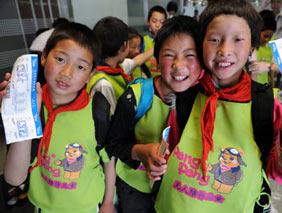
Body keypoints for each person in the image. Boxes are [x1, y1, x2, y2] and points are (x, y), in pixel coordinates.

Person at [147, 1, 282, 212]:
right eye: (214, 39)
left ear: (252, 47)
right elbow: (169, 146)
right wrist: (155, 160)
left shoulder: (264, 105)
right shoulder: (187, 95)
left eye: (238, 39)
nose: (224, 50)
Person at [2, 22, 115, 212]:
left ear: (91, 74)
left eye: (80, 67)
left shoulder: (98, 108)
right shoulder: (32, 103)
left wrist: (108, 202)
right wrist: (25, 114)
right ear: (45, 56)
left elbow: (108, 159)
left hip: (87, 206)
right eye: (61, 59)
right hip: (44, 205)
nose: (67, 73)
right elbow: (14, 178)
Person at [106, 15, 203, 213]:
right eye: (169, 55)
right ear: (156, 60)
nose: (179, 64)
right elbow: (114, 144)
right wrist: (140, 151)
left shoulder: (206, 101)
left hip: (181, 190)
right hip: (136, 188)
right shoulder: (136, 96)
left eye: (190, 55)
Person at [87, 16, 130, 115]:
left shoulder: (112, 69)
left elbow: (136, 61)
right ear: (123, 46)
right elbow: (112, 124)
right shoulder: (103, 84)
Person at [248, 10, 279, 86]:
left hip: (263, 86)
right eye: (265, 36)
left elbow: (272, 71)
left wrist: (272, 87)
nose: (267, 40)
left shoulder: (272, 42)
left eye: (270, 37)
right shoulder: (250, 44)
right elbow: (253, 73)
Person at [143, 5, 167, 76]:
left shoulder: (168, 42)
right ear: (148, 22)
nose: (157, 25)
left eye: (162, 22)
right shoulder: (143, 42)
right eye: (154, 21)